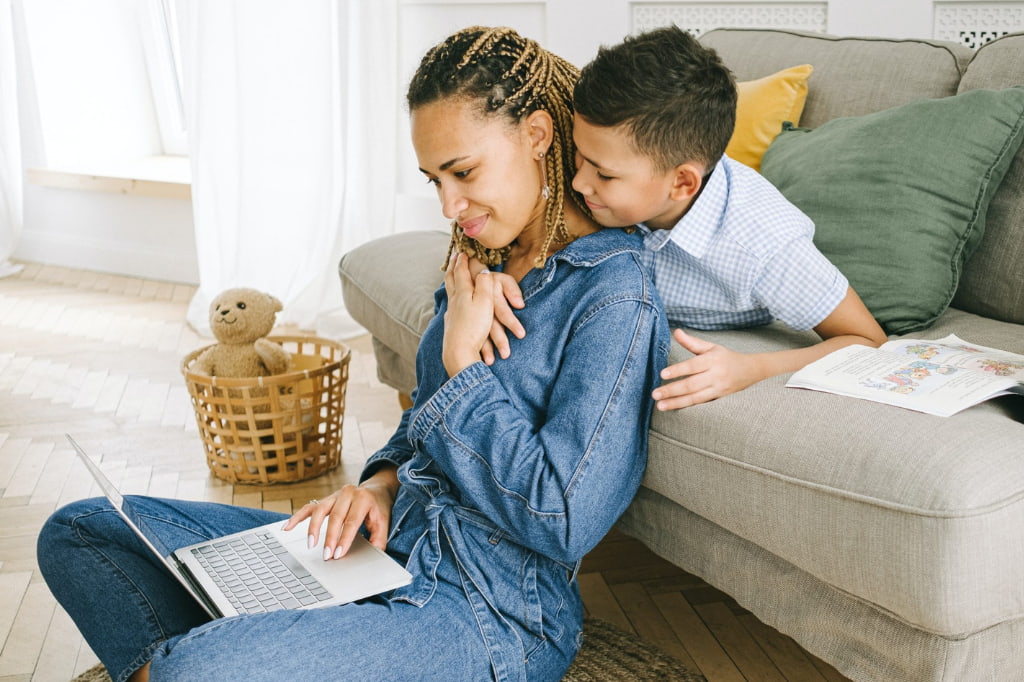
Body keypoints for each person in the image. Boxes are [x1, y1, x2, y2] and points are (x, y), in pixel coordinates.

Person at [36, 26, 668, 682]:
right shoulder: (478, 260)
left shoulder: (614, 295)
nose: (450, 205)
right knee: (80, 530)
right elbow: (421, 420)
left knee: (192, 670)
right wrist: (380, 484)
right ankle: (251, 643)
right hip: (379, 548)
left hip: (488, 608)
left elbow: (564, 519)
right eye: (435, 180)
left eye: (464, 172)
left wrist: (466, 371)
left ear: (537, 134)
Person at [569, 25, 887, 410]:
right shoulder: (607, 180)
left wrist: (753, 368)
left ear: (682, 183)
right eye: (578, 155)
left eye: (603, 174)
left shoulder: (763, 242)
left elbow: (868, 341)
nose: (579, 182)